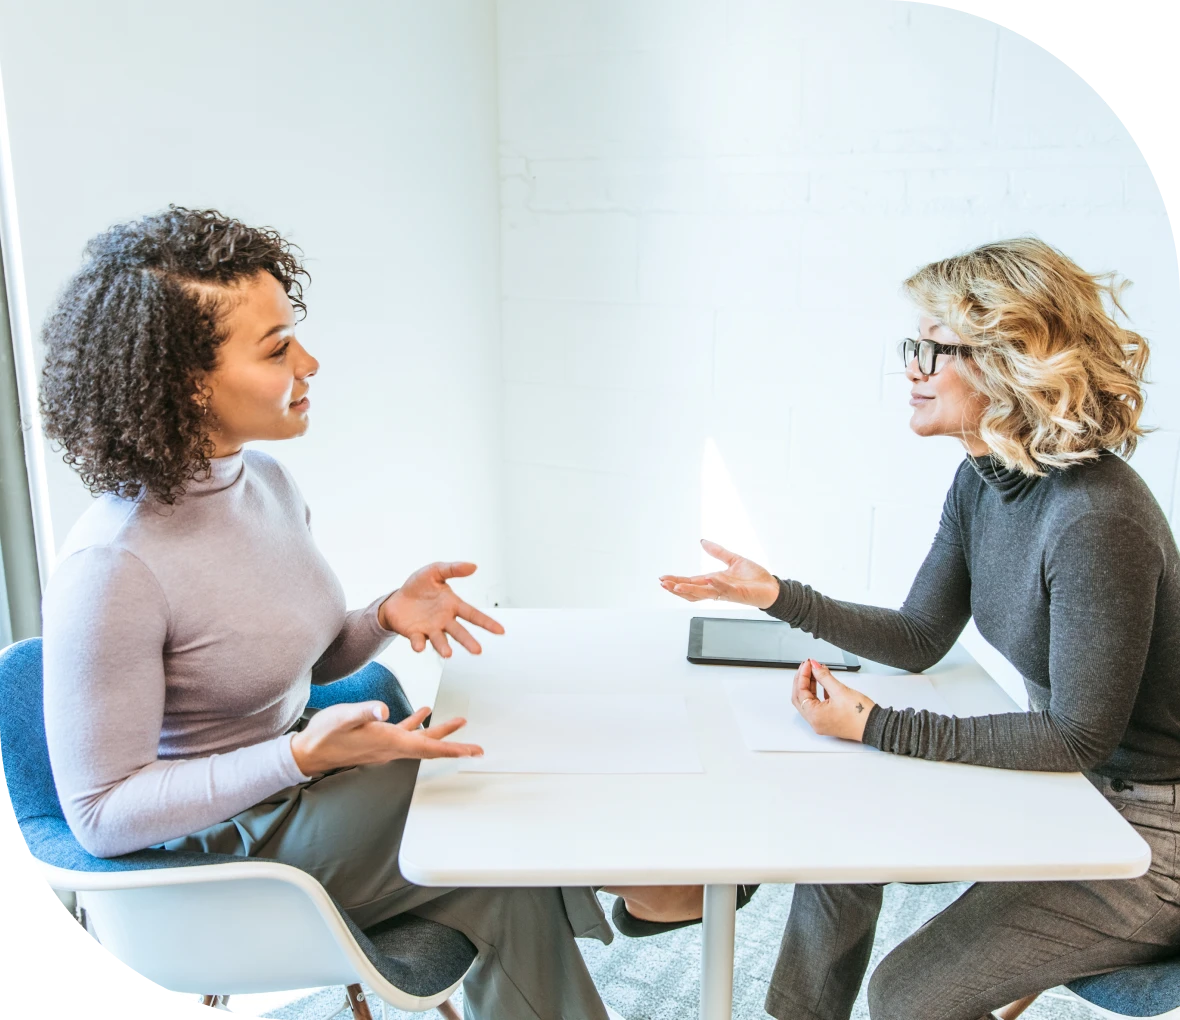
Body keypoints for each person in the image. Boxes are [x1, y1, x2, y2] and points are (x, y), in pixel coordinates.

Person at [39, 207, 615, 1020]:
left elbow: (291, 663)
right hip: (218, 859)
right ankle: (646, 883)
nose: (309, 362)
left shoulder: (262, 480)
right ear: (184, 382)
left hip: (297, 799)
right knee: (480, 792)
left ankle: (623, 883)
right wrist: (298, 761)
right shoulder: (114, 566)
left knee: (496, 886)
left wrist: (383, 613)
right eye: (276, 349)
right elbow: (103, 818)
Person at [659, 238, 1180, 1020]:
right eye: (916, 347)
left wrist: (874, 725)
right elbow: (921, 634)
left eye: (935, 351)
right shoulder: (984, 478)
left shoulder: (1097, 517)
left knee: (905, 996)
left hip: (1146, 830)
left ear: (1010, 363)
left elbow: (1078, 737)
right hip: (1071, 790)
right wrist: (776, 594)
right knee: (839, 835)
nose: (912, 370)